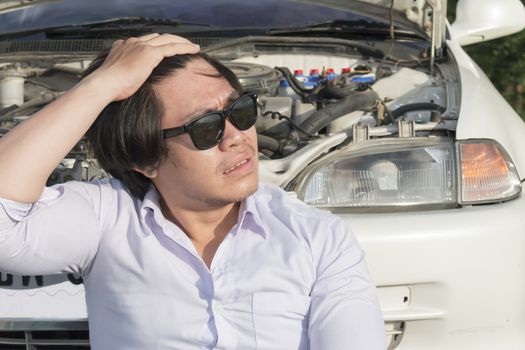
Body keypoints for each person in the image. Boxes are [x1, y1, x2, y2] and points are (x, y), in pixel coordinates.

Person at [0, 34, 386, 349]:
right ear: (145, 159)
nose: (237, 138)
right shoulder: (107, 218)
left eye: (241, 111)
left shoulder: (318, 237)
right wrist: (102, 85)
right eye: (206, 128)